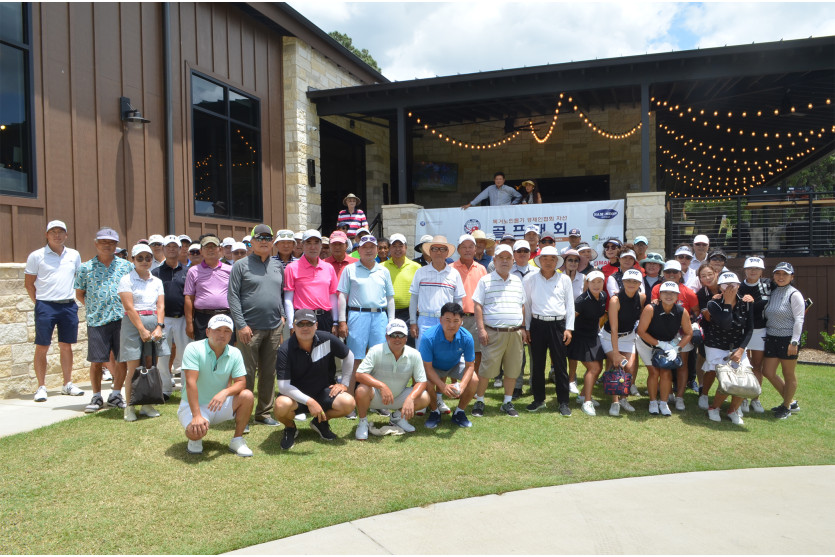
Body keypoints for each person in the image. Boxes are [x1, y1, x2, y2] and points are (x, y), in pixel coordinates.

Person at [227, 224, 286, 427]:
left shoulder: (278, 266)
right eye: (259, 238)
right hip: (248, 328)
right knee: (246, 373)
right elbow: (232, 297)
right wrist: (241, 325)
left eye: (268, 238)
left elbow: (281, 294)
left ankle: (263, 413)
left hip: (274, 327)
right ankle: (242, 412)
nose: (263, 241)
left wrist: (283, 316)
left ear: (272, 242)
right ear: (251, 242)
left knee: (269, 372)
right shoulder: (240, 265)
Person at [273, 309, 357, 449]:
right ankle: (290, 428)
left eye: (309, 324)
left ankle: (319, 422)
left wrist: (345, 384)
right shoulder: (285, 349)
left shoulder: (327, 339)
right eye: (300, 324)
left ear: (316, 325)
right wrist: (309, 401)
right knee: (281, 405)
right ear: (293, 327)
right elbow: (283, 386)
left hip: (323, 392)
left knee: (348, 403)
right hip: (295, 397)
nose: (305, 328)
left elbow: (349, 356)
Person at [75, 227, 133, 413]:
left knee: (121, 359)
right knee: (96, 361)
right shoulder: (85, 268)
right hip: (97, 320)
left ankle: (116, 394)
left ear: (116, 245)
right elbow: (80, 293)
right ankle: (96, 396)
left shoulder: (126, 266)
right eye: (103, 242)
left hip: (122, 320)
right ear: (96, 244)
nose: (107, 245)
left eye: (111, 243)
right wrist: (95, 307)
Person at [178, 314, 254, 457]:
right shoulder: (193, 348)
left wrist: (225, 392)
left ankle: (237, 440)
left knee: (247, 396)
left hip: (220, 404)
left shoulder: (235, 352)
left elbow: (241, 382)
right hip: (194, 406)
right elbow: (190, 382)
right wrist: (196, 416)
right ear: (208, 332)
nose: (222, 334)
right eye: (217, 329)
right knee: (195, 433)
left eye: (227, 331)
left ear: (231, 334)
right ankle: (196, 439)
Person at [25, 220, 83, 402]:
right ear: (46, 235)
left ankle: (67, 384)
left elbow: (78, 280)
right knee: (42, 346)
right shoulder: (36, 256)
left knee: (66, 346)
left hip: (68, 305)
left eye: (61, 232)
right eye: (53, 232)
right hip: (45, 306)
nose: (57, 235)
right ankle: (41, 387)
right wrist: (40, 303)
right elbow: (29, 284)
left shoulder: (74, 255)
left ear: (66, 235)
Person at [472, 244, 527, 417]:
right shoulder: (485, 280)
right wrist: (481, 329)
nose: (504, 261)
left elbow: (522, 306)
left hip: (515, 333)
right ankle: (479, 400)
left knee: (512, 370)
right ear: (494, 260)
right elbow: (478, 305)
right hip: (493, 332)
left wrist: (523, 327)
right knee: (486, 369)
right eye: (500, 258)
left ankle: (507, 402)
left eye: (508, 258)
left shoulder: (517, 281)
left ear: (513, 261)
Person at [354, 319, 432, 439]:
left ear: (406, 338)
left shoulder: (414, 354)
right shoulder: (376, 350)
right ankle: (363, 422)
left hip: (400, 396)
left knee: (424, 397)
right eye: (393, 335)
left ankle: (397, 417)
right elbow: (359, 374)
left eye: (401, 335)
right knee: (361, 390)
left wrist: (410, 398)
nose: (397, 338)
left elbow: (422, 381)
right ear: (386, 336)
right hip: (376, 396)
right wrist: (382, 386)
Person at [118, 244, 169, 422]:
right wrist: (141, 329)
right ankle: (130, 407)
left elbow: (160, 305)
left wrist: (159, 327)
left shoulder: (157, 281)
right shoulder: (126, 279)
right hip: (133, 324)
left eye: (148, 258)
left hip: (154, 323)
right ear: (132, 260)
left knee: (150, 365)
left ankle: (147, 404)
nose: (145, 261)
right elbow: (129, 308)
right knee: (133, 368)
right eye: (140, 258)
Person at [523, 247, 574, 415]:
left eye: (552, 258)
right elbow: (528, 305)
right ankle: (539, 400)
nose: (548, 261)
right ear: (539, 260)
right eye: (544, 258)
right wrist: (527, 328)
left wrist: (568, 328)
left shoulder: (564, 279)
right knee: (537, 364)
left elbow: (570, 306)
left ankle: (563, 402)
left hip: (558, 325)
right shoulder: (530, 279)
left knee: (560, 365)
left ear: (556, 261)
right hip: (537, 325)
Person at [337, 234, 395, 381]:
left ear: (377, 250)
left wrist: (392, 322)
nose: (368, 250)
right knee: (354, 358)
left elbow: (390, 298)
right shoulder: (350, 269)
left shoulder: (384, 271)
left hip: (380, 316)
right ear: (359, 250)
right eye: (365, 247)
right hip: (357, 315)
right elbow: (342, 296)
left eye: (372, 247)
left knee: (379, 358)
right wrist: (342, 321)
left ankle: (377, 399)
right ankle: (350, 397)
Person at [703, 272, 753, 426]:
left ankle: (733, 409)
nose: (730, 288)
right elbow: (725, 323)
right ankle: (714, 407)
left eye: (734, 285)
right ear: (720, 288)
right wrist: (728, 303)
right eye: (726, 286)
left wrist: (741, 349)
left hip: (737, 346)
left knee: (742, 378)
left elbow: (750, 329)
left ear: (739, 286)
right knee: (725, 378)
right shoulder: (713, 303)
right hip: (716, 345)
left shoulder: (746, 302)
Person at [636, 281, 693, 416]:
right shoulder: (651, 308)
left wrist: (677, 348)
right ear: (659, 295)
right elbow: (641, 331)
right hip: (646, 344)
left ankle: (663, 402)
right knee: (654, 372)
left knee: (666, 373)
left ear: (678, 296)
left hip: (667, 346)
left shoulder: (681, 311)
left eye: (673, 293)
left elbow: (689, 333)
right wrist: (660, 344)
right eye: (665, 292)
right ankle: (653, 402)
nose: (669, 295)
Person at [418, 303, 478, 428]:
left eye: (456, 321)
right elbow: (427, 368)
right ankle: (435, 412)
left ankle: (459, 412)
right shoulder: (428, 337)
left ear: (462, 321)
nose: (451, 325)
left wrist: (462, 385)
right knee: (426, 382)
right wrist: (442, 386)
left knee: (474, 380)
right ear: (440, 320)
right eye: (448, 320)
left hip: (455, 364)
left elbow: (470, 366)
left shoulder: (467, 337)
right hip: (434, 367)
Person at [761, 262, 804, 420]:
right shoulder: (772, 292)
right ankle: (790, 401)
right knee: (768, 372)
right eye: (778, 273)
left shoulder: (794, 294)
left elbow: (799, 319)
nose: (781, 277)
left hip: (788, 339)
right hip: (772, 337)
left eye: (785, 274)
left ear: (792, 277)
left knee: (788, 374)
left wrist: (794, 342)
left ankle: (786, 407)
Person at [600, 269, 644, 415]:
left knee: (630, 368)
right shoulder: (615, 300)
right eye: (628, 281)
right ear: (623, 282)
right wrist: (617, 353)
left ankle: (624, 398)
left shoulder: (642, 297)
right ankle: (615, 402)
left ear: (639, 283)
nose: (631, 284)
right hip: (609, 337)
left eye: (635, 281)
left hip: (628, 337)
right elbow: (613, 328)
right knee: (616, 364)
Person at [151, 235, 190, 398]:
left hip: (182, 319)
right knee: (162, 356)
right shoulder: (155, 272)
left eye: (175, 246)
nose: (172, 249)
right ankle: (165, 389)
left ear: (181, 249)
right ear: (164, 249)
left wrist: (189, 322)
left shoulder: (187, 272)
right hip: (163, 320)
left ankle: (186, 390)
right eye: (169, 246)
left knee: (185, 356)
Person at [409, 235, 465, 346]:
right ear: (429, 251)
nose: (438, 252)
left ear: (447, 252)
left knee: (444, 357)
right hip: (424, 321)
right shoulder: (420, 272)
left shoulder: (454, 274)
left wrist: (459, 322)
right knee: (423, 357)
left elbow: (458, 300)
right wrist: (413, 322)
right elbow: (414, 298)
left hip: (447, 322)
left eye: (442, 249)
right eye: (434, 249)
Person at [283, 229, 339, 334]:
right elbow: (288, 299)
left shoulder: (328, 268)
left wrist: (335, 321)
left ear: (321, 245)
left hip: (324, 318)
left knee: (325, 350)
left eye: (316, 243)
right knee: (303, 350)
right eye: (308, 243)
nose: (313, 247)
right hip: (302, 319)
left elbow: (333, 297)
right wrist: (291, 324)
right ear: (302, 245)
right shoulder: (292, 268)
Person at [451, 234, 488, 381]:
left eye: (470, 247)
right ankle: (455, 384)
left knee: (476, 352)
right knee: (453, 351)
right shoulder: (451, 268)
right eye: (464, 247)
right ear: (458, 249)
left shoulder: (481, 269)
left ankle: (473, 382)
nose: (467, 250)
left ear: (475, 249)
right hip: (455, 317)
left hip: (475, 317)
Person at [184, 235, 233, 341]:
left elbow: (237, 295)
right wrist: (189, 324)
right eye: (207, 247)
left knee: (224, 350)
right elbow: (189, 298)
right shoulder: (193, 271)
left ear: (220, 249)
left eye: (213, 246)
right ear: (201, 250)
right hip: (202, 318)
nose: (210, 250)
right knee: (203, 351)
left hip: (225, 316)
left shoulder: (230, 270)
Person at [572, 271, 608, 416]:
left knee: (598, 368)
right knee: (593, 368)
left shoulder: (604, 296)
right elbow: (570, 319)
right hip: (579, 338)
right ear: (587, 283)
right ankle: (587, 402)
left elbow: (601, 316)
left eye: (599, 282)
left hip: (594, 336)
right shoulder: (581, 301)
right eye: (593, 282)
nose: (596, 285)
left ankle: (582, 396)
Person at [737, 256, 770, 414]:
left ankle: (755, 398)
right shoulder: (738, 287)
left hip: (760, 330)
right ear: (745, 270)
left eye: (757, 269)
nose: (753, 271)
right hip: (742, 331)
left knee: (757, 366)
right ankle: (742, 397)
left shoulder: (769, 285)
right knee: (743, 366)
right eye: (750, 268)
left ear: (762, 271)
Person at [381, 233, 421, 347]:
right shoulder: (381, 267)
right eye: (394, 246)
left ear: (406, 247)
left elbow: (421, 290)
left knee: (409, 345)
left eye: (400, 245)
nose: (397, 249)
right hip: (387, 313)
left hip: (409, 313)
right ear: (389, 249)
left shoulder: (416, 267)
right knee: (390, 345)